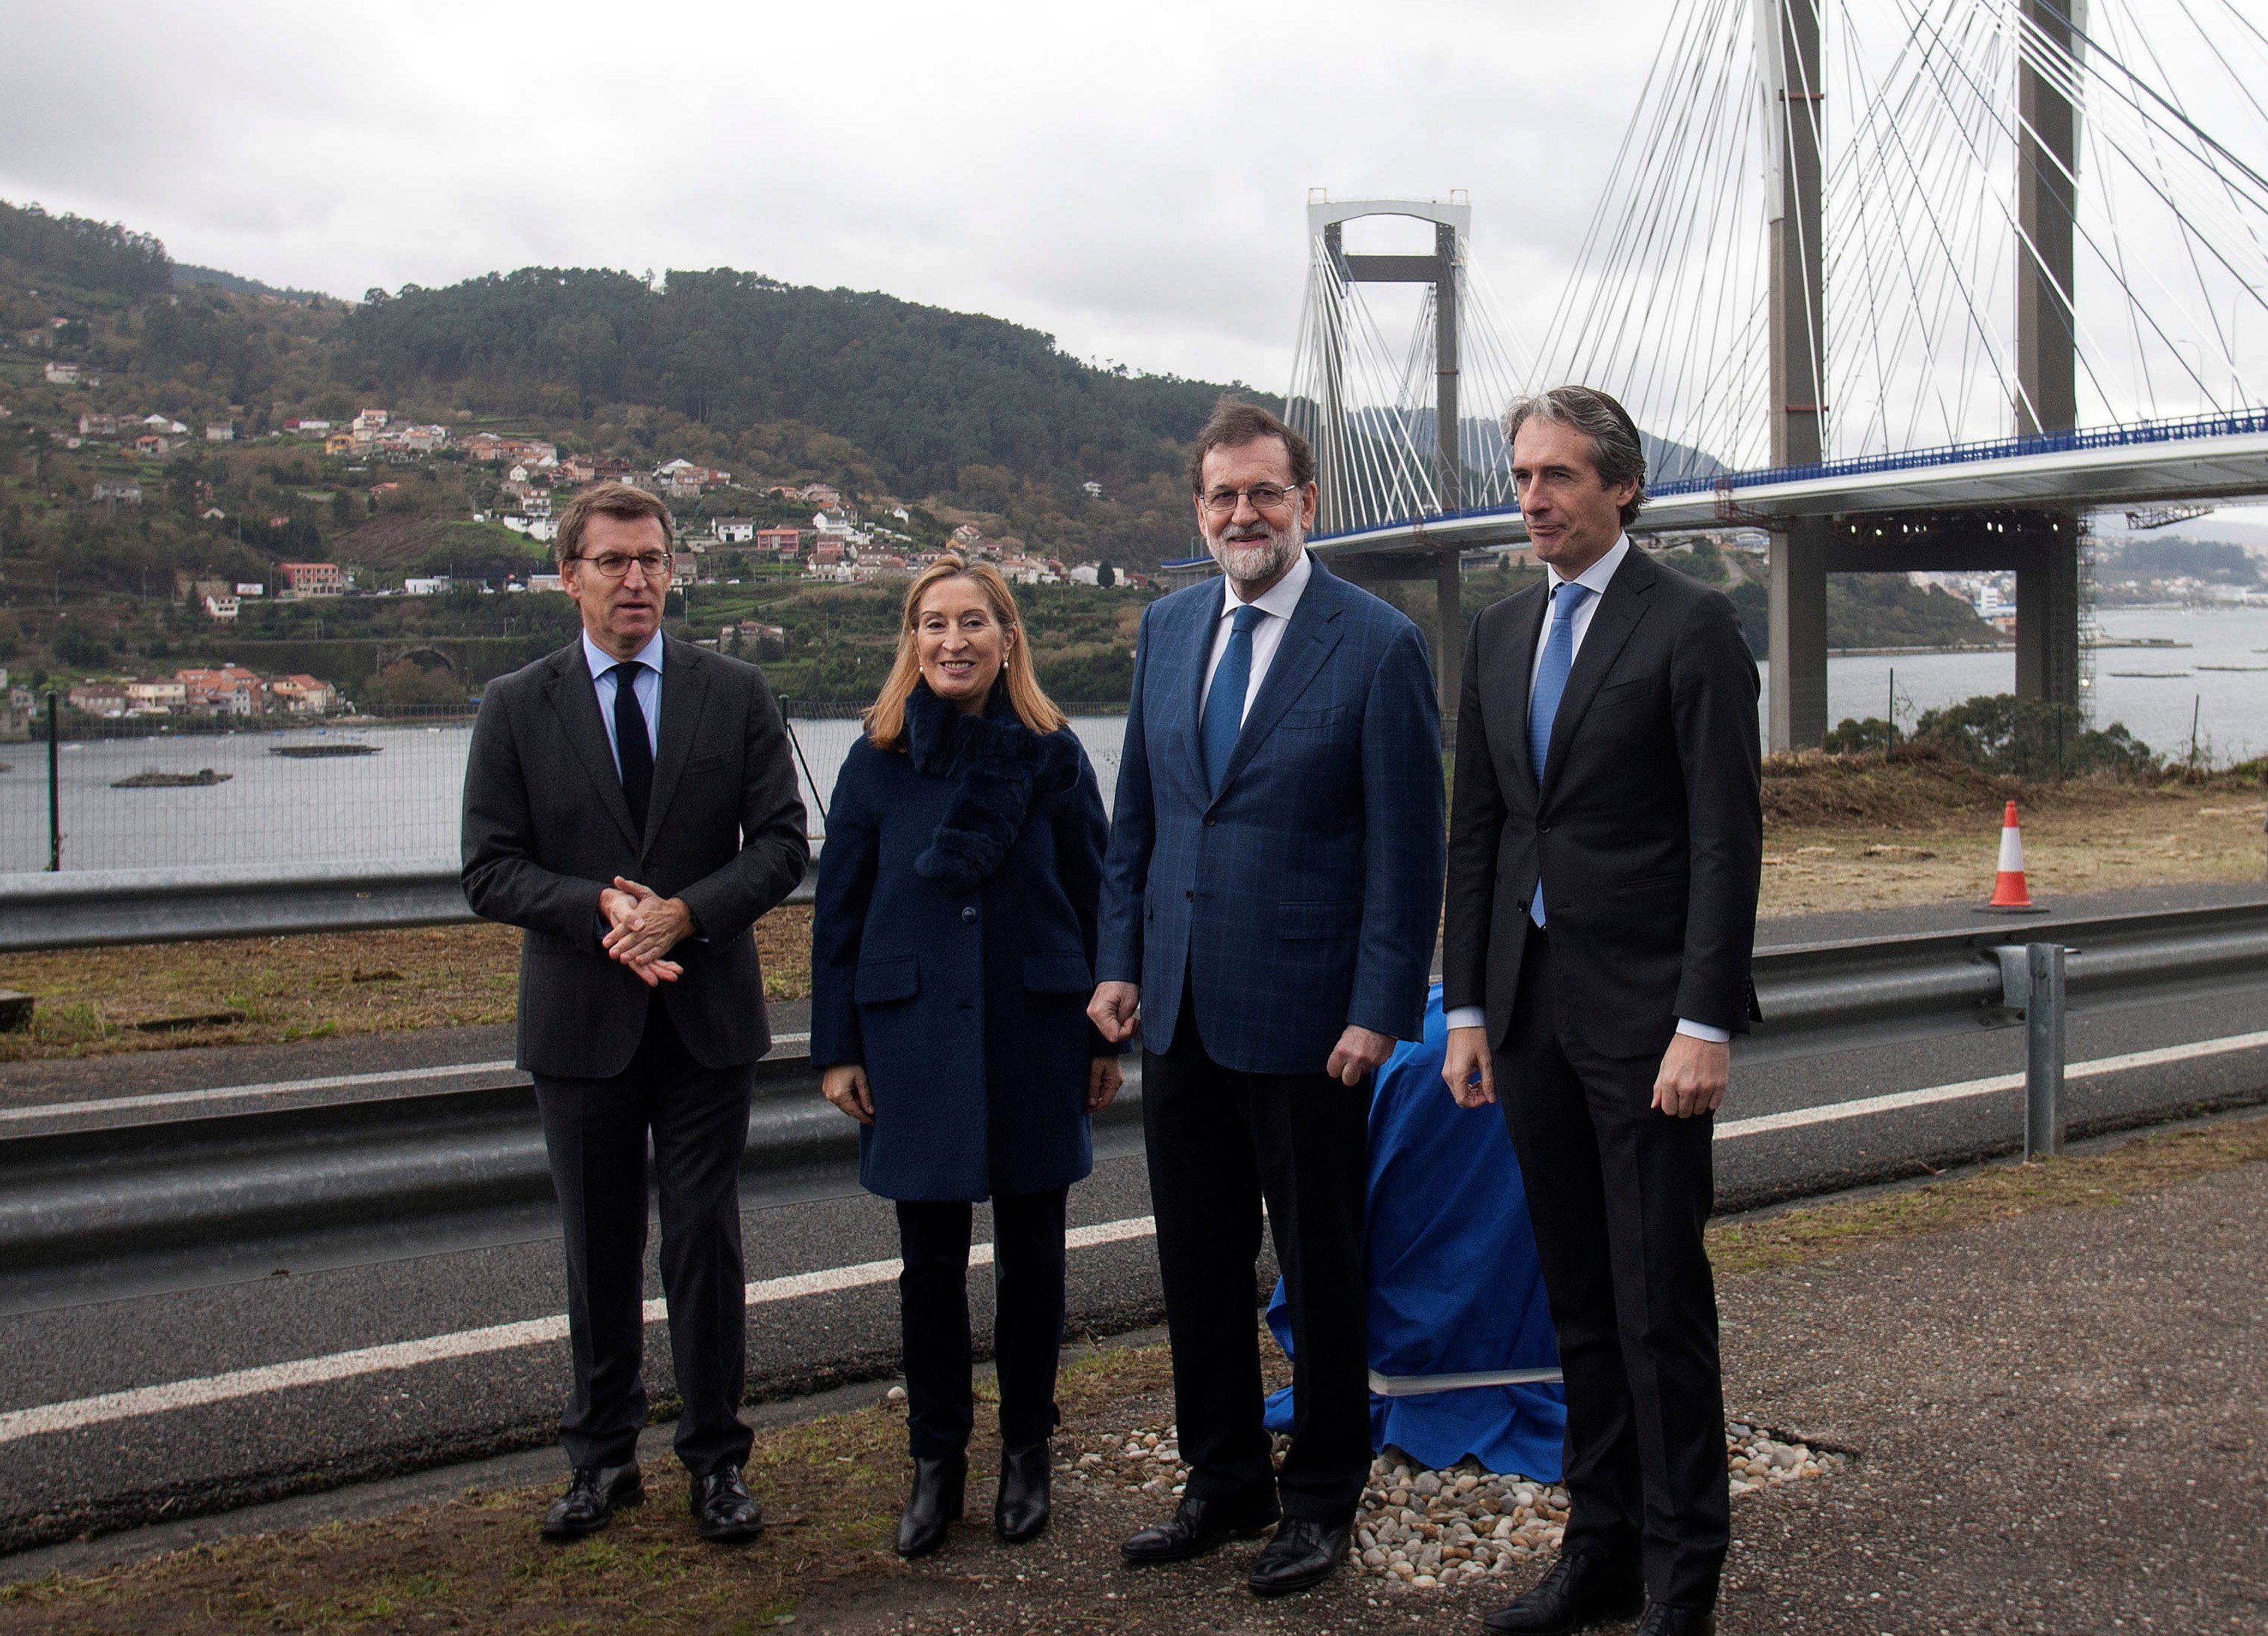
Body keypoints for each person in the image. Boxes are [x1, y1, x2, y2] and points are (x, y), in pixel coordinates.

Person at [1091, 400, 1447, 1598]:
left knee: (1321, 1263)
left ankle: (1320, 1495)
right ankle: (1223, 1479)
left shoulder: (1377, 642)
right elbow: (1136, 816)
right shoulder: (1168, 624)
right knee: (1195, 1261)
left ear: (1307, 503)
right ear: (1197, 511)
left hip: (1312, 1021)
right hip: (1180, 1008)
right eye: (1221, 497)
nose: (1242, 515)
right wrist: (1118, 961)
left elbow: (1408, 849)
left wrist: (1379, 1007)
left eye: (1264, 494)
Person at [1439, 387, 1762, 1636]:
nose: (1532, 499)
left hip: (1646, 1026)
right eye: (1522, 476)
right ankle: (1601, 1552)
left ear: (1622, 486)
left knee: (1654, 1305)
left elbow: (1724, 842)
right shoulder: (1498, 628)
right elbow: (1481, 831)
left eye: (1559, 476)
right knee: (1574, 1299)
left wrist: (1704, 1020)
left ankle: (1685, 1583)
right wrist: (1463, 1004)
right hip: (1524, 1019)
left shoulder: (1692, 626)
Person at [462, 481, 808, 1546]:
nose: (637, 580)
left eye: (652, 559)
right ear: (568, 575)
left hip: (706, 1021)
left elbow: (784, 844)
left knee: (704, 1244)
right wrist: (600, 909)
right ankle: (600, 1459)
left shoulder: (735, 690)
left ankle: (716, 1463)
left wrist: (685, 916)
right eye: (612, 561)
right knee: (598, 1249)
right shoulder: (516, 705)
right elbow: (490, 870)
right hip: (579, 1024)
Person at [809, 556, 1120, 1559]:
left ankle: (1027, 1449)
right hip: (911, 1042)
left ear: (1007, 637)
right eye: (934, 624)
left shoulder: (1054, 754)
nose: (953, 641)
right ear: (913, 640)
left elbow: (1099, 901)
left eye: (974, 622)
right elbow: (840, 918)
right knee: (927, 1268)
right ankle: (933, 1460)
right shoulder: (875, 758)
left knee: (1034, 1261)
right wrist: (837, 1049)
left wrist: (1104, 1036)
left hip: (1036, 1035)